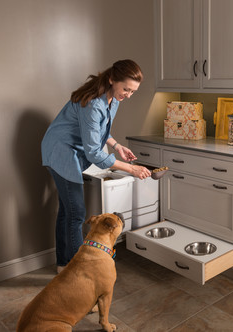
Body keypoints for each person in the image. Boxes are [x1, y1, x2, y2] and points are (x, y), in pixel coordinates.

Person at [41, 59, 151, 272]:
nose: (128, 95)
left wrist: (117, 145)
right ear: (112, 80)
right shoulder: (92, 104)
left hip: (68, 150)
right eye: (126, 89)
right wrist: (131, 169)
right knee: (76, 213)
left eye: (133, 91)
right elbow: (93, 152)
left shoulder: (113, 99)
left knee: (67, 211)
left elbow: (100, 131)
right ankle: (77, 272)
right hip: (60, 152)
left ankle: (63, 265)